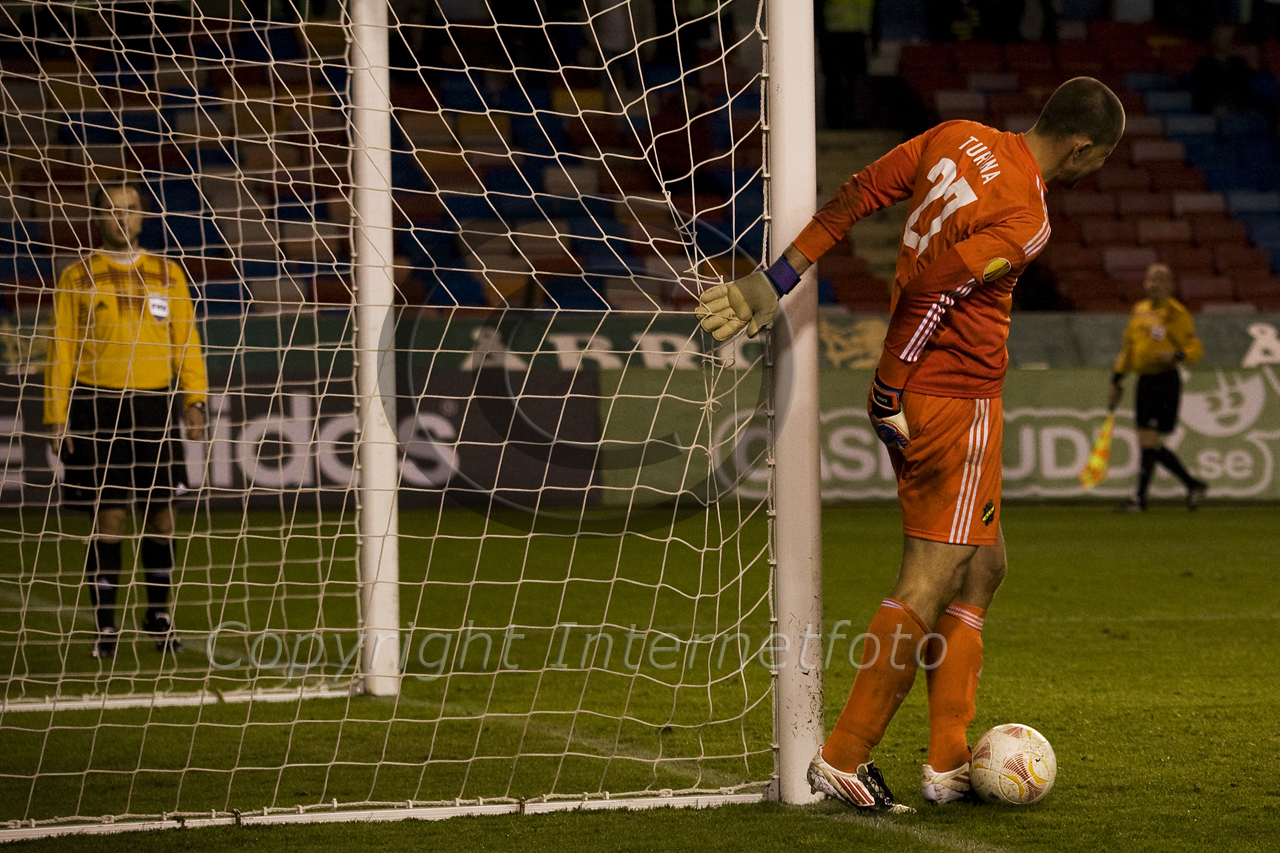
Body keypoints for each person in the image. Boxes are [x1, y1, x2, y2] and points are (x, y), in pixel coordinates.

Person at [696, 77, 1125, 811]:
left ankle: (948, 762)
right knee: (930, 577)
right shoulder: (1026, 216)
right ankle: (845, 755)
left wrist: (780, 276)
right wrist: (888, 389)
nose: (1099, 169)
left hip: (939, 395)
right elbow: (935, 288)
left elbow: (860, 192)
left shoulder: (959, 136)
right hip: (952, 399)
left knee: (983, 567)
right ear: (1082, 146)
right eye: (1103, 157)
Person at [44, 184, 208, 660]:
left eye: (130, 209)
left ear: (143, 217)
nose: (122, 217)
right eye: (112, 210)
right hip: (97, 405)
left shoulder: (167, 273)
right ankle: (105, 626)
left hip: (154, 405)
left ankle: (158, 615)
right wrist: (56, 415)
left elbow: (186, 341)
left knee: (161, 513)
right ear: (97, 218)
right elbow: (61, 350)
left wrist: (195, 400)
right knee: (109, 515)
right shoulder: (77, 276)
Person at [1107, 263, 1206, 513]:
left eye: (1161, 279)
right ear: (1145, 283)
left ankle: (1141, 499)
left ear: (1171, 285)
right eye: (1151, 279)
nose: (1154, 284)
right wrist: (1117, 379)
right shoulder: (1139, 310)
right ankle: (1191, 485)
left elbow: (1195, 347)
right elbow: (1129, 349)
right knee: (1147, 442)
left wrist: (1177, 355)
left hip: (1165, 379)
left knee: (1149, 440)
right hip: (1144, 380)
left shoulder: (1176, 313)